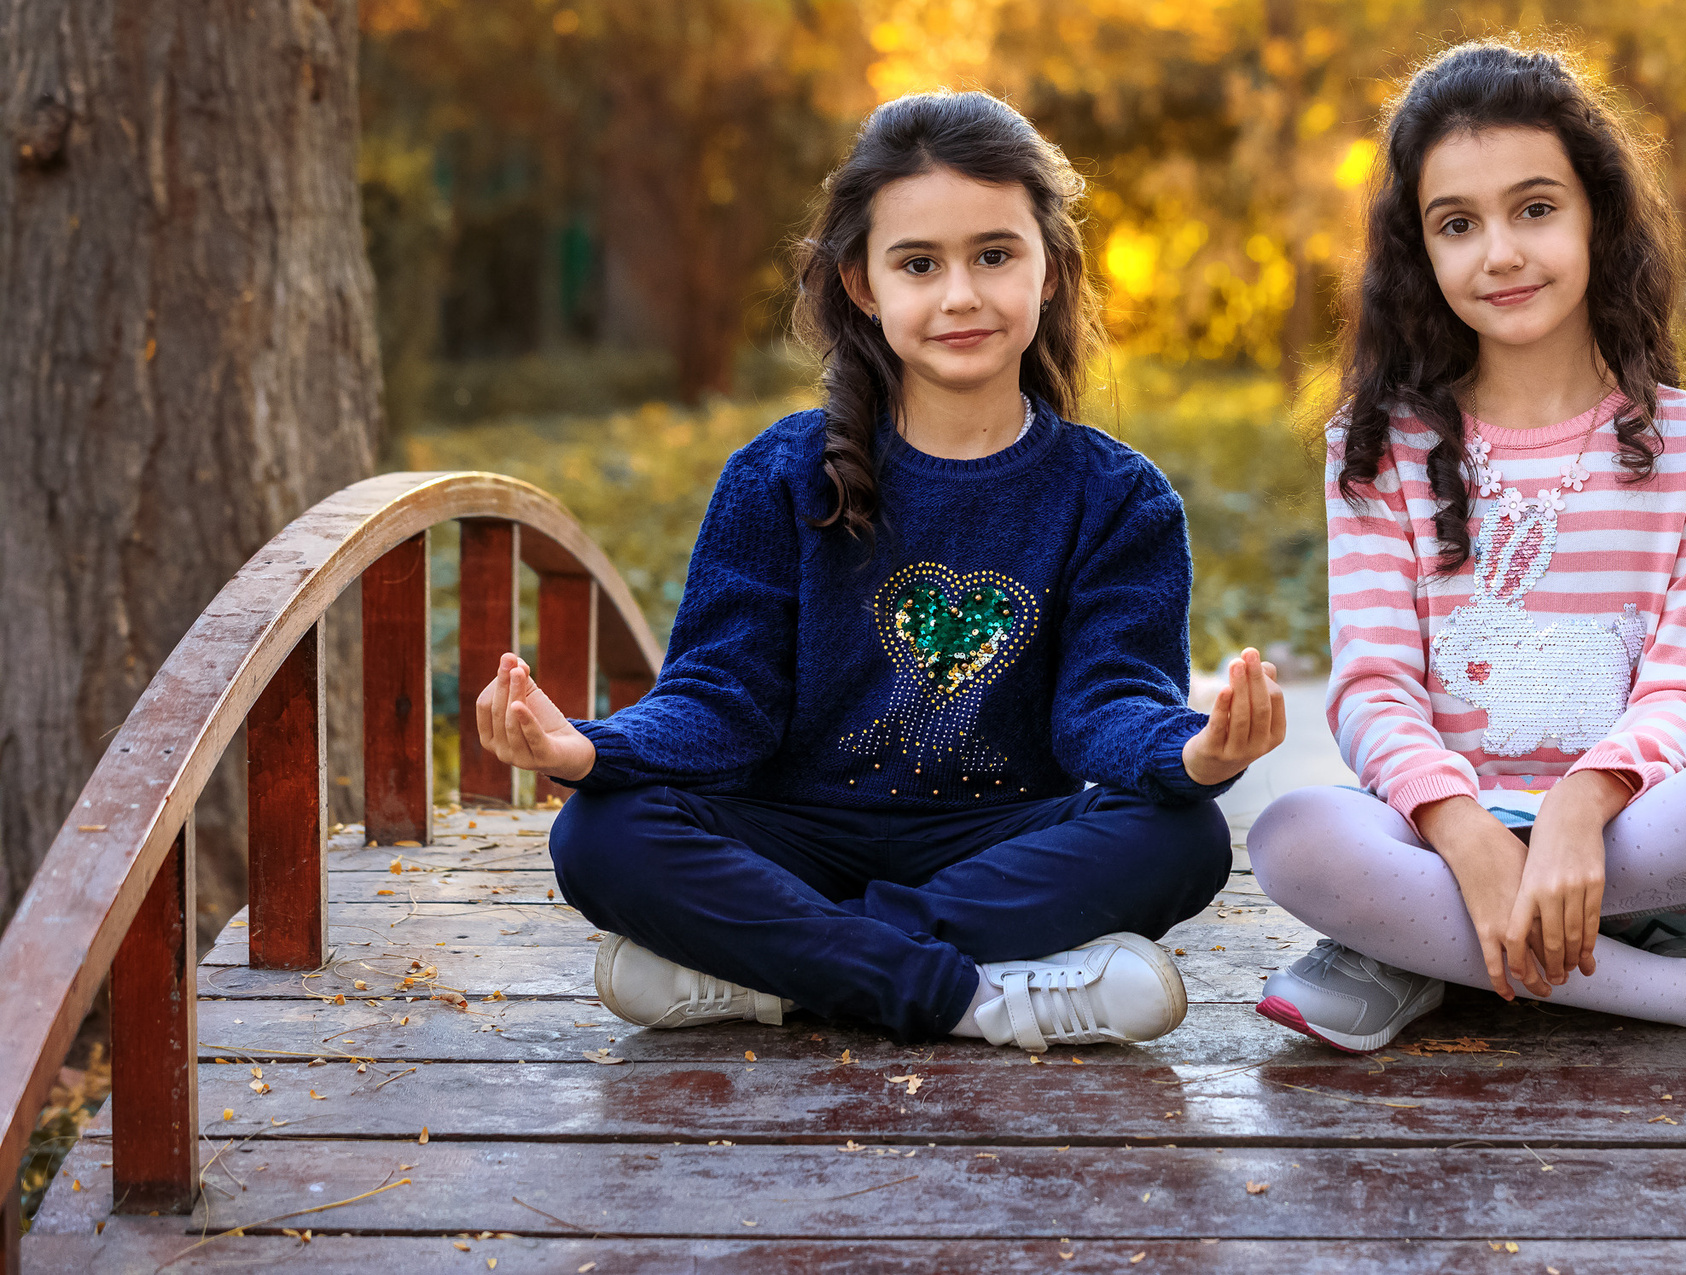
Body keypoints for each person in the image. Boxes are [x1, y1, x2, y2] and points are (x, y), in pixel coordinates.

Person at [476, 90, 1287, 1052]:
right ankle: (976, 997)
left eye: (995, 254)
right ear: (864, 285)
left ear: (1052, 270)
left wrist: (1191, 755)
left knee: (1181, 841)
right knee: (599, 837)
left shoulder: (1117, 497)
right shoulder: (778, 473)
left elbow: (1105, 702)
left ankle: (774, 971)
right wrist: (589, 751)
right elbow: (722, 691)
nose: (960, 295)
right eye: (918, 263)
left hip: (997, 840)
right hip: (789, 833)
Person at [1247, 40, 1686, 1054]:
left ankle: (1409, 950)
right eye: (1456, 224)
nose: (1499, 253)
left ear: (1597, 214)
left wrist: (1577, 807)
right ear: (1418, 253)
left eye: (1535, 209)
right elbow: (1374, 688)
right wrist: (1464, 833)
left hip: (1637, 844)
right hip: (1439, 843)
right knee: (1293, 838)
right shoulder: (1377, 445)